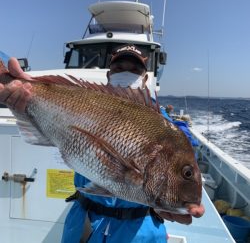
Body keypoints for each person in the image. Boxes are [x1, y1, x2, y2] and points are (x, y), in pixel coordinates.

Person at [0, 45, 204, 243]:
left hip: (139, 230)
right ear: (108, 76)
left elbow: (183, 137)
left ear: (145, 77)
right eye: (119, 68)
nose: (126, 73)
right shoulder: (90, 100)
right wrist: (23, 92)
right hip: (85, 222)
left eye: (134, 69)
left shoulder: (166, 125)